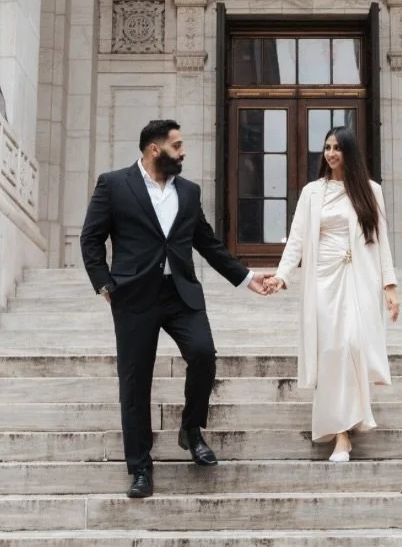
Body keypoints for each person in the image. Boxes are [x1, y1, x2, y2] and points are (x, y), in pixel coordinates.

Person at [80, 119, 270, 499]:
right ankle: (140, 468)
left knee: (203, 354)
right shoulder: (114, 185)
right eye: (177, 145)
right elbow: (91, 238)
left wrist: (247, 278)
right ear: (155, 149)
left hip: (180, 293)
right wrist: (104, 282)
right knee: (135, 382)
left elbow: (208, 243)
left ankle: (191, 429)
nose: (183, 152)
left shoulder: (188, 191)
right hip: (134, 296)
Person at [265, 126, 400, 462]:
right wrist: (282, 276)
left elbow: (381, 240)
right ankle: (341, 434)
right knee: (330, 351)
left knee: (353, 344)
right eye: (327, 147)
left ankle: (349, 422)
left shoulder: (370, 191)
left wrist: (389, 286)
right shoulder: (312, 192)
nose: (330, 153)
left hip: (358, 277)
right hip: (322, 281)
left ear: (349, 152)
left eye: (337, 148)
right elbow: (297, 239)